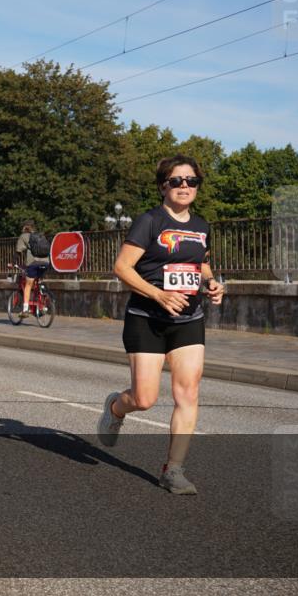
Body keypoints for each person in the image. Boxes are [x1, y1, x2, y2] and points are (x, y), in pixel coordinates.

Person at [97, 155, 225, 495]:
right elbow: (122, 267)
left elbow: (203, 263)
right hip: (147, 318)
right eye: (176, 180)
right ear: (163, 186)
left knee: (189, 391)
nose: (184, 186)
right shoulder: (149, 222)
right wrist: (159, 295)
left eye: (191, 181)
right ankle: (115, 407)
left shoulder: (201, 226)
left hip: (188, 319)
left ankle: (173, 469)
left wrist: (213, 283)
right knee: (144, 398)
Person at [15, 220, 50, 317]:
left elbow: (18, 251)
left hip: (33, 263)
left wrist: (14, 262)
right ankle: (42, 302)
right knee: (38, 281)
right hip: (46, 262)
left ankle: (25, 310)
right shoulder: (40, 235)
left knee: (28, 285)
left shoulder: (24, 236)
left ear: (24, 227)